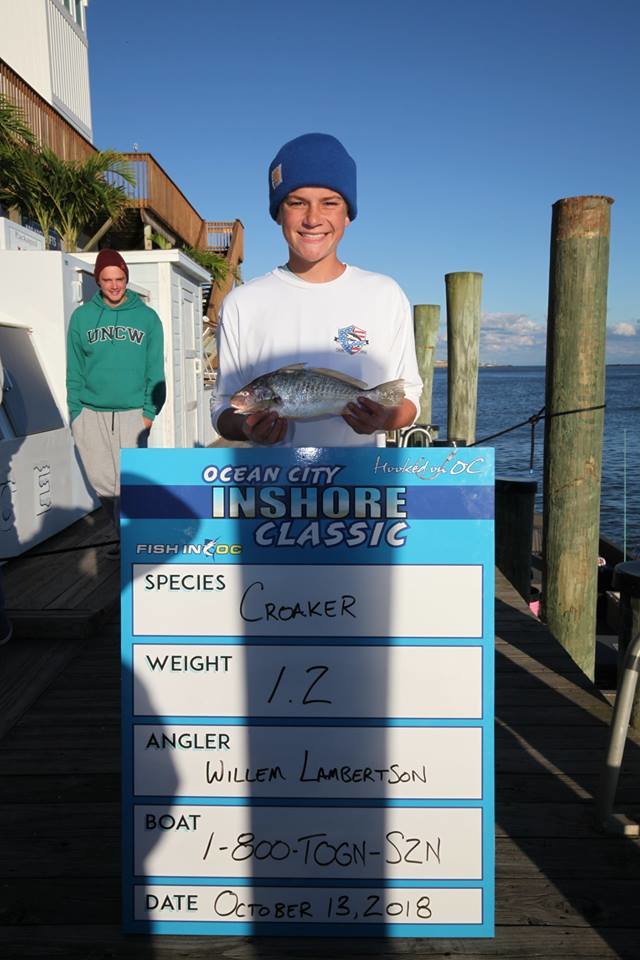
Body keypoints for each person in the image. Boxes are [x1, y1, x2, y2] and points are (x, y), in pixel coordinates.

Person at [213, 132, 422, 446]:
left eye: (330, 203)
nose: (312, 219)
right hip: (272, 477)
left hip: (362, 477)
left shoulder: (385, 295)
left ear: (347, 214)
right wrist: (245, 427)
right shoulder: (241, 303)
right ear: (278, 212)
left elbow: (410, 398)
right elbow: (222, 406)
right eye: (297, 203)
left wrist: (385, 419)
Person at [66, 249, 165, 556]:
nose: (114, 285)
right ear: (98, 280)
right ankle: (124, 537)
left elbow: (155, 370)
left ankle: (135, 542)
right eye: (107, 279)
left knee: (131, 485)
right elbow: (74, 370)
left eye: (119, 278)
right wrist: (76, 413)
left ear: (126, 278)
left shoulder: (147, 318)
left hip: (133, 413)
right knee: (103, 485)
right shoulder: (82, 317)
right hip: (90, 413)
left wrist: (148, 413)